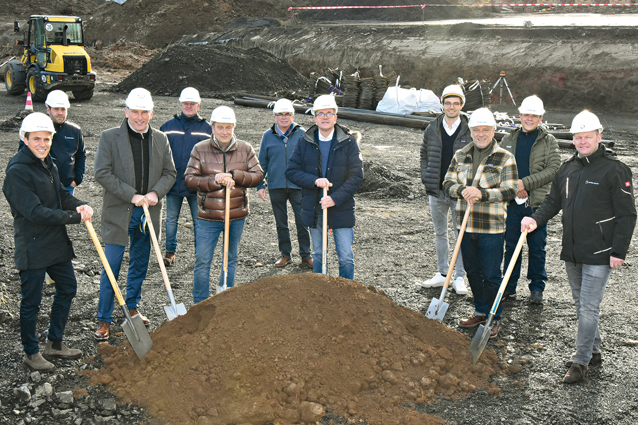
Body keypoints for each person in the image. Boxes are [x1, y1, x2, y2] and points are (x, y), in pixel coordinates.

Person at [522, 111, 636, 384]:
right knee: (581, 304)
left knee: (587, 307)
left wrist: (619, 251)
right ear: (573, 139)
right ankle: (593, 350)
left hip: (600, 252)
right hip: (572, 250)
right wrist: (535, 219)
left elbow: (627, 214)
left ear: (599, 137)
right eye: (578, 137)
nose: (582, 141)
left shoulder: (615, 169)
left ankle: (581, 361)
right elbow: (552, 201)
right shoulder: (568, 168)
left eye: (588, 136)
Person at [3, 112, 93, 371]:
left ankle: (54, 342)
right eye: (37, 139)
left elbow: (62, 195)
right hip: (32, 243)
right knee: (31, 301)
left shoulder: (48, 164)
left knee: (67, 287)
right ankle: (31, 352)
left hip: (54, 242)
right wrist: (73, 218)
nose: (42, 144)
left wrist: (80, 205)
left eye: (47, 139)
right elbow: (34, 212)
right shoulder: (18, 172)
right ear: (25, 139)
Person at [93, 88, 176, 340]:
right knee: (112, 265)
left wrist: (154, 194)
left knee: (139, 263)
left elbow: (170, 173)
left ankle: (132, 307)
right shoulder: (110, 137)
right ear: (126, 111)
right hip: (119, 212)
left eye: (144, 112)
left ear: (151, 113)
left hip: (148, 214)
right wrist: (132, 195)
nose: (139, 117)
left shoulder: (161, 139)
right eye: (135, 111)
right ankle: (104, 319)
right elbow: (102, 173)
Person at [443, 108, 518, 338]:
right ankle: (480, 310)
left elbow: (511, 189)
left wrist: (483, 194)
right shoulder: (460, 155)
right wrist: (462, 190)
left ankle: (495, 317)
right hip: (466, 226)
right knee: (473, 272)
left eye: (486, 129)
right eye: (477, 130)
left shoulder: (505, 157)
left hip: (491, 227)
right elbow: (447, 183)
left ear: (494, 131)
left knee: (491, 274)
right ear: (471, 131)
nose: (481, 134)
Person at [185, 106, 263, 302]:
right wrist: (214, 180)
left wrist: (234, 176)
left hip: (236, 215)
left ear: (234, 126)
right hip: (208, 217)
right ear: (212, 127)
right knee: (203, 260)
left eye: (229, 127)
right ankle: (199, 302)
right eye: (220, 127)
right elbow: (189, 179)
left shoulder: (245, 149)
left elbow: (258, 176)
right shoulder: (200, 149)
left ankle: (225, 298)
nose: (224, 132)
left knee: (231, 258)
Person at [285, 94, 364, 279]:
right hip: (315, 207)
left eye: (329, 113)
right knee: (319, 254)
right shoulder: (305, 141)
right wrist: (314, 180)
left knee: (345, 256)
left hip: (341, 206)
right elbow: (291, 171)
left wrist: (335, 198)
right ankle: (321, 294)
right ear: (315, 118)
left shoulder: (348, 142)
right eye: (321, 113)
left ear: (335, 117)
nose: (325, 117)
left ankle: (346, 293)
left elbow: (356, 176)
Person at [501, 95, 560, 304]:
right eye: (526, 114)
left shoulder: (549, 141)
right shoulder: (508, 139)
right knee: (511, 246)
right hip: (512, 203)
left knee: (537, 248)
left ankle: (537, 289)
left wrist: (524, 184)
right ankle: (508, 286)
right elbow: (499, 166)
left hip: (537, 204)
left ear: (541, 117)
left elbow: (553, 169)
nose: (529, 118)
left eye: (534, 115)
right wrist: (514, 187)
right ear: (520, 115)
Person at [418, 84, 470, 295]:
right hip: (436, 191)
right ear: (443, 105)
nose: (451, 107)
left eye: (455, 103)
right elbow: (424, 154)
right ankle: (442, 273)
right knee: (440, 233)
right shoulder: (432, 128)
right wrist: (426, 176)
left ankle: (459, 277)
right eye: (448, 103)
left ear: (461, 105)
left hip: (459, 192)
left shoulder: (469, 129)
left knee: (460, 235)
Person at [256, 99, 312, 268]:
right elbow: (262, 162)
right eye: (280, 114)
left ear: (293, 116)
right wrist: (260, 185)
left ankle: (306, 255)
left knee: (302, 221)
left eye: (287, 114)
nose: (284, 117)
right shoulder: (267, 136)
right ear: (275, 117)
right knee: (281, 222)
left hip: (298, 186)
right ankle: (285, 254)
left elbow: (309, 161)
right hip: (276, 186)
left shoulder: (302, 133)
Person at [159, 87, 212, 267]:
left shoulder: (207, 129)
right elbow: (159, 156)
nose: (188, 106)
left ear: (198, 105)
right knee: (171, 220)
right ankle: (169, 252)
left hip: (196, 185)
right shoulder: (167, 128)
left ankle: (199, 254)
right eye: (185, 103)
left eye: (192, 104)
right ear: (180, 104)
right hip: (173, 184)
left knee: (199, 221)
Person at [19, 90, 86, 195]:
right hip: (42, 187)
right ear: (48, 109)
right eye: (56, 109)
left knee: (67, 211)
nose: (60, 113)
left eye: (63, 109)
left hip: (67, 187)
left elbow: (81, 154)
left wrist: (77, 179)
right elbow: (23, 155)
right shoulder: (36, 129)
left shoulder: (75, 131)